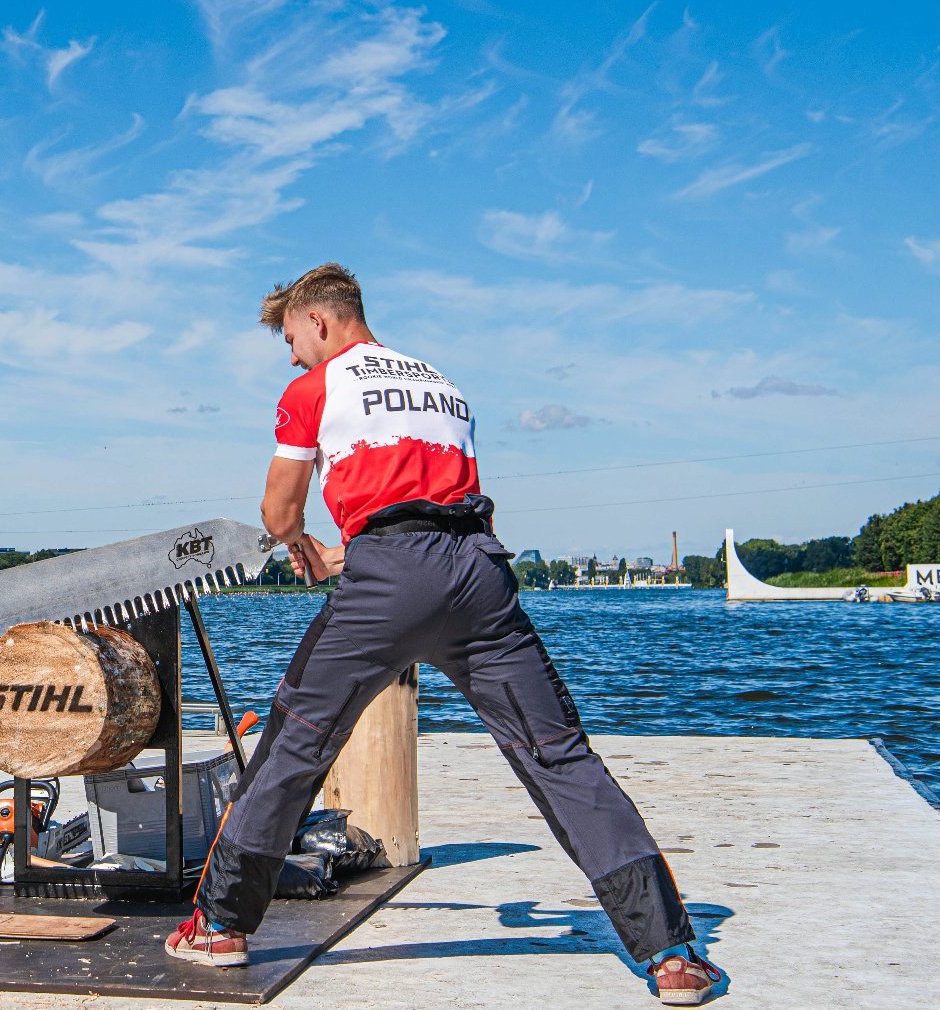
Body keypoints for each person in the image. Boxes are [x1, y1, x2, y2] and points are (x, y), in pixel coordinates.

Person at [163, 264, 724, 1006]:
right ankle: (671, 953)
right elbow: (429, 505)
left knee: (296, 740)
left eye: (293, 340)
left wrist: (299, 544)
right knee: (559, 754)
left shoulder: (314, 389)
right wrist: (352, 550)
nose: (292, 357)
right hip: (479, 574)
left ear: (321, 322)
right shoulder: (441, 382)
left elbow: (277, 511)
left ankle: (219, 927)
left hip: (391, 580)